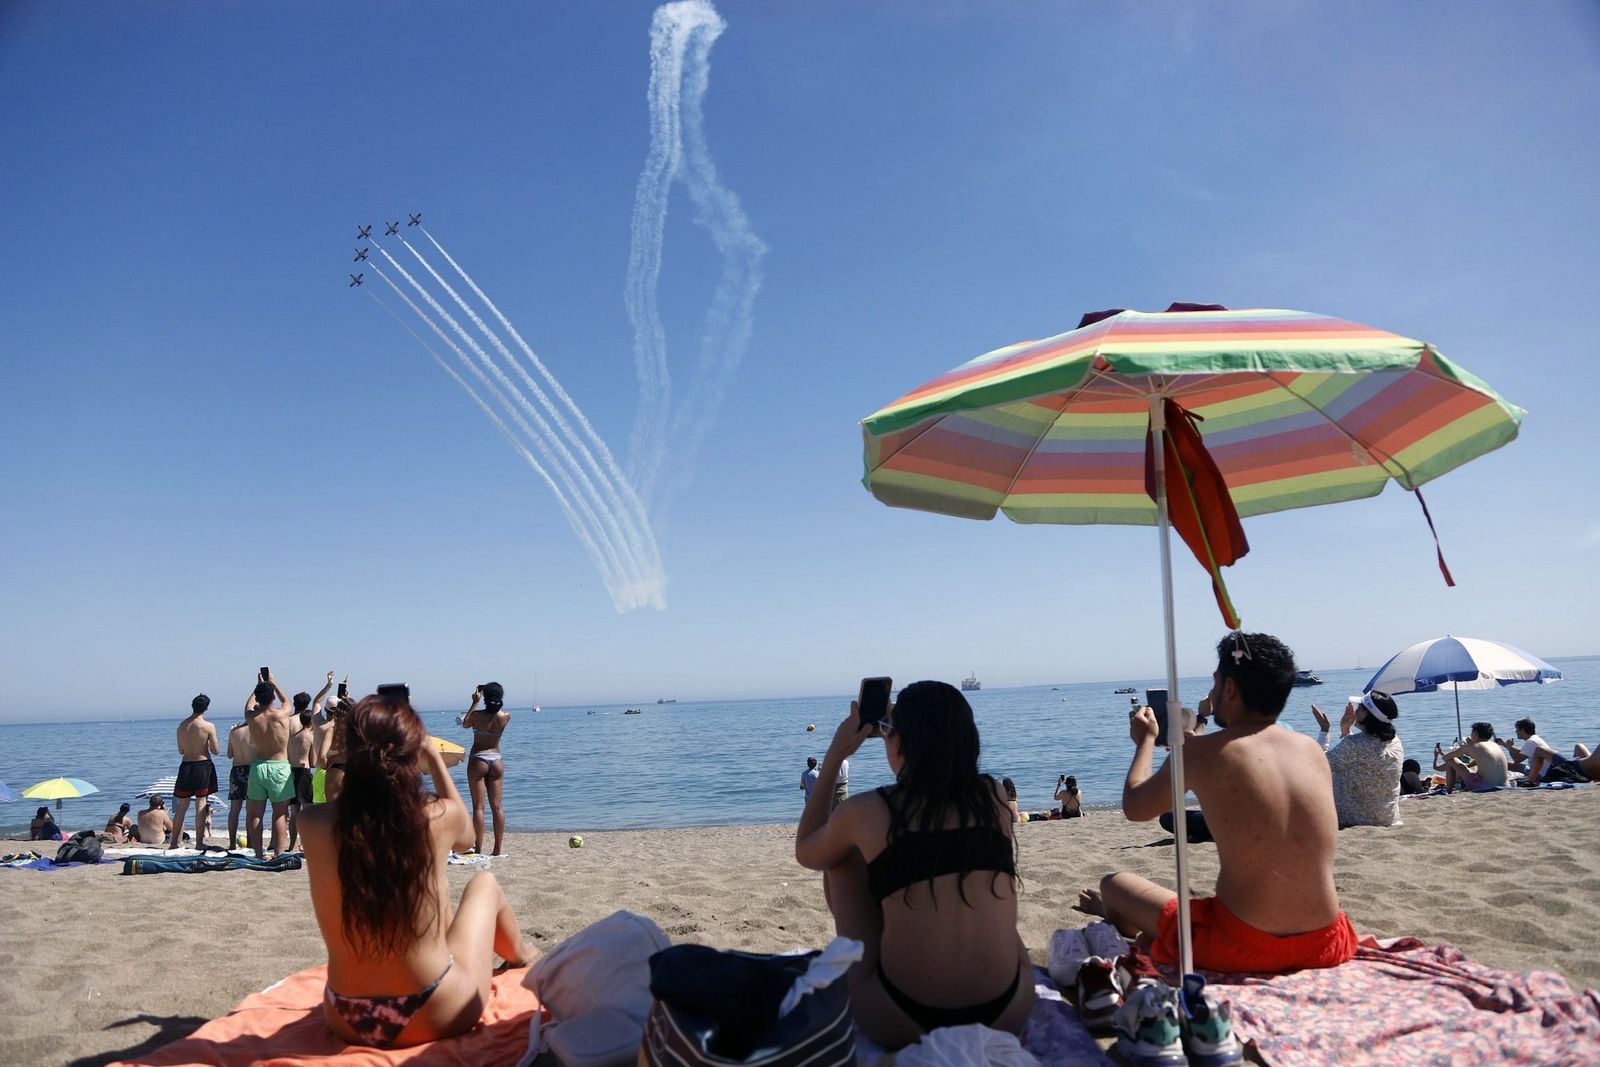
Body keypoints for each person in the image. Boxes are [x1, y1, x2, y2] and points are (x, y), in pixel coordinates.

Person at [1079, 632, 1358, 974]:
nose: (1211, 695)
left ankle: (1117, 921)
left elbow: (1135, 807)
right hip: (1327, 942)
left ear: (1229, 689)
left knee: (1113, 884)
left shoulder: (1199, 753)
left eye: (1214, 685)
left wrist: (1146, 742)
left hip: (1239, 944)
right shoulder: (1311, 750)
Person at [795, 681, 1033, 1049]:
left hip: (904, 1018)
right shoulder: (994, 795)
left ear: (899, 743)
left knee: (839, 858)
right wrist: (899, 727)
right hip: (1009, 1010)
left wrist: (837, 753)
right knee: (966, 873)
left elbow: (807, 851)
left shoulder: (868, 810)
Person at [298, 689, 534, 1048]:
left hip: (346, 1015)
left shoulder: (311, 823)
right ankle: (526, 958)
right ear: (413, 752)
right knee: (484, 884)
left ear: (350, 750)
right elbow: (468, 837)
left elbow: (354, 805)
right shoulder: (434, 817)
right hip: (433, 1010)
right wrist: (436, 761)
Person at [1310, 692, 1404, 828]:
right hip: (1387, 817)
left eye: (1360, 708)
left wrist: (1324, 731)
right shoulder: (1395, 741)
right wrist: (1345, 730)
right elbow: (1360, 757)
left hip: (1354, 818)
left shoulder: (1354, 744)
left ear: (1366, 714)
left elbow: (1319, 765)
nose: (1355, 711)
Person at [246, 671, 296, 856]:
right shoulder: (282, 715)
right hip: (279, 767)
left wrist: (258, 686)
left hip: (259, 767)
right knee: (280, 813)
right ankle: (279, 853)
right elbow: (287, 701)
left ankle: (258, 853)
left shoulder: (252, 717)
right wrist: (273, 683)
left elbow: (249, 705)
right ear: (273, 696)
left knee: (255, 813)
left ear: (259, 697)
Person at [461, 683, 510, 856]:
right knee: (497, 807)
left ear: (485, 697)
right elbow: (494, 716)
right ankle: (497, 849)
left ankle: (479, 848)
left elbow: (465, 724)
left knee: (479, 808)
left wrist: (474, 701)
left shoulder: (476, 715)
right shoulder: (505, 717)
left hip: (478, 759)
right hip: (496, 760)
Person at [169, 693, 220, 850]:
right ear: (206, 708)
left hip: (186, 766)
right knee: (201, 804)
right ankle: (199, 843)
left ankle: (173, 842)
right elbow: (216, 750)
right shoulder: (208, 726)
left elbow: (181, 750)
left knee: (181, 807)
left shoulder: (182, 726)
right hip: (202, 765)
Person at [1434, 722, 1508, 793]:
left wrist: (1438, 755)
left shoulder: (1473, 746)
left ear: (1475, 733)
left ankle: (1448, 790)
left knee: (1452, 760)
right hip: (1504, 784)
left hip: (1485, 786)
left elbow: (1446, 758)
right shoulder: (1495, 745)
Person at [285, 705, 318, 852]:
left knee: (294, 813)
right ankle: (306, 844)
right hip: (304, 773)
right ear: (311, 722)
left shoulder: (292, 737)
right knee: (309, 812)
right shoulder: (310, 737)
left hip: (291, 773)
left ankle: (292, 845)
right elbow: (313, 762)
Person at [226, 717, 259, 848]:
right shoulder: (258, 731)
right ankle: (250, 842)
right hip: (252, 770)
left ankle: (232, 843)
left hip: (237, 769)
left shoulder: (235, 731)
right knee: (251, 810)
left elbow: (229, 754)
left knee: (235, 809)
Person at [318, 697, 350, 802]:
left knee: (332, 812)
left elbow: (322, 758)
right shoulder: (358, 730)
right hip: (354, 771)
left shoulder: (332, 731)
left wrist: (333, 758)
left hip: (335, 771)